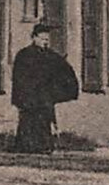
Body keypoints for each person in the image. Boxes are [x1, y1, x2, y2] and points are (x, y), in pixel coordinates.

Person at [10, 23, 80, 153]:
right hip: (28, 98)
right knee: (27, 123)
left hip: (44, 99)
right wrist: (21, 97)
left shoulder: (51, 56)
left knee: (44, 123)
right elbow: (18, 77)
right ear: (34, 38)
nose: (45, 42)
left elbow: (65, 70)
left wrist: (59, 92)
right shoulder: (24, 55)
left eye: (47, 40)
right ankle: (25, 148)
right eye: (42, 39)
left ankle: (44, 147)